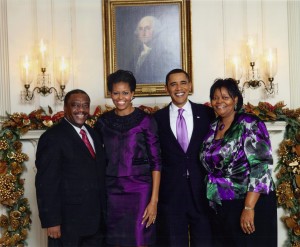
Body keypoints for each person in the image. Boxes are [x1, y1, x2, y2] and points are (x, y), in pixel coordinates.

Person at [200, 78, 277, 246]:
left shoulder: (249, 124)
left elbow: (261, 167)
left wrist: (248, 208)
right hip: (221, 204)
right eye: (215, 97)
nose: (219, 101)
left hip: (248, 201)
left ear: (235, 100)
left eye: (225, 97)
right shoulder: (213, 127)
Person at [95, 69, 161, 247]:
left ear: (133, 94)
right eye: (116, 93)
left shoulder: (146, 121)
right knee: (114, 239)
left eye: (125, 93)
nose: (120, 97)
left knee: (139, 238)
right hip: (111, 189)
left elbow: (156, 162)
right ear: (110, 94)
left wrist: (153, 201)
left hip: (140, 189)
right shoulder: (103, 122)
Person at [35, 89, 106, 247]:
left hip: (96, 223)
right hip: (68, 224)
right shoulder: (52, 137)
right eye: (75, 105)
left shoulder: (93, 134)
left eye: (85, 105)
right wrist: (52, 221)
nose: (81, 110)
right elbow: (46, 183)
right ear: (65, 108)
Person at [154, 68, 215, 247]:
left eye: (183, 83)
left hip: (201, 192)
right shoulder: (157, 119)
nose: (178, 88)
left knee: (204, 241)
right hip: (171, 194)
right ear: (167, 88)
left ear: (190, 85)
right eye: (173, 84)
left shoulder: (206, 113)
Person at [120, 15, 180, 84]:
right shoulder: (136, 55)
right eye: (140, 29)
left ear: (155, 31)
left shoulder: (164, 54)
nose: (143, 33)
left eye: (147, 28)